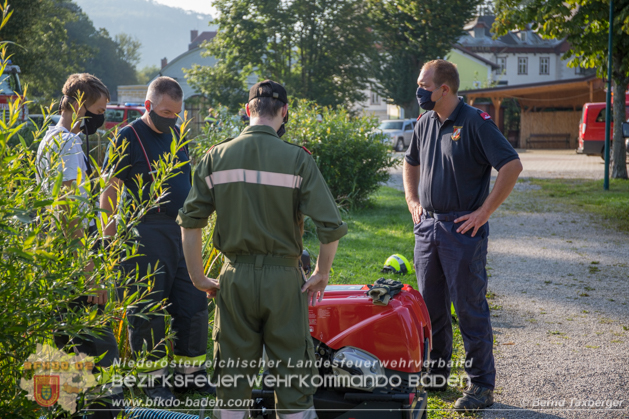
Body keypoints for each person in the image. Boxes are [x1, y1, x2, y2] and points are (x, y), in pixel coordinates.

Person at [177, 80, 347, 419]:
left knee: (232, 380)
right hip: (285, 282)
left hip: (234, 279)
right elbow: (330, 227)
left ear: (247, 111)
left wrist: (198, 276)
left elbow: (190, 221)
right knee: (293, 378)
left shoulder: (216, 157)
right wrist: (321, 274)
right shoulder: (298, 159)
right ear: (284, 112)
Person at [403, 60, 522, 413]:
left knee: (469, 309)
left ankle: (481, 385)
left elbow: (511, 166)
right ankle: (437, 375)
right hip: (428, 228)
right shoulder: (425, 123)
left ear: (445, 89)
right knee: (431, 307)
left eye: (424, 85)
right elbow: (410, 163)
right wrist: (412, 201)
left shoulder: (474, 122)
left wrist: (484, 212)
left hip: (461, 231)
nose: (419, 91)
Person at [100, 76, 212, 401]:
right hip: (143, 234)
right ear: (148, 106)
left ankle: (191, 376)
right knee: (146, 312)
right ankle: (153, 383)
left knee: (193, 305)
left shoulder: (178, 135)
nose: (171, 118)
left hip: (182, 233)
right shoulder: (127, 137)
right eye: (165, 112)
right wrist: (108, 245)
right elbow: (109, 194)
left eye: (176, 113)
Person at [36, 73, 121, 418]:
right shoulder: (69, 144)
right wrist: (90, 272)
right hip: (75, 256)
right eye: (99, 110)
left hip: (56, 255)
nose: (102, 117)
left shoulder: (49, 139)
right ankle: (102, 412)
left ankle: (63, 409)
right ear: (79, 106)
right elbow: (69, 210)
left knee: (66, 347)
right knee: (102, 351)